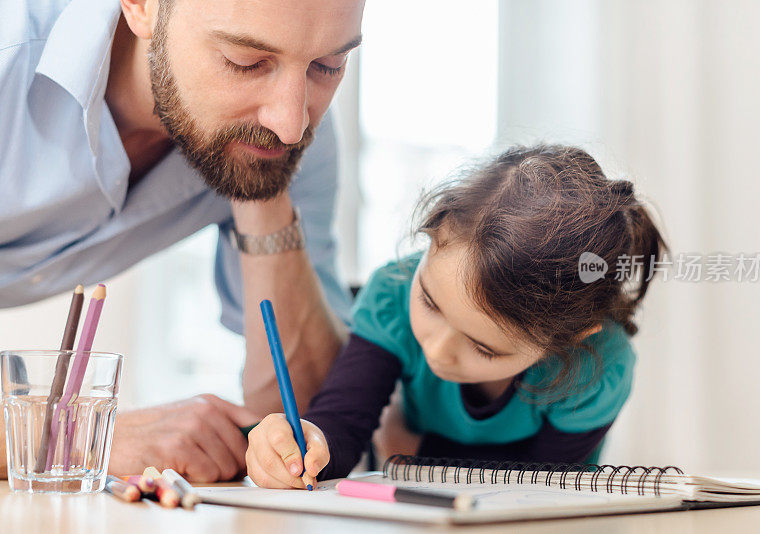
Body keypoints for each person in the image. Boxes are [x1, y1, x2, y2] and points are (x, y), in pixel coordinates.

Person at [0, 0, 364, 480]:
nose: (292, 122)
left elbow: (305, 427)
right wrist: (78, 439)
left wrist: (262, 175)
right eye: (246, 62)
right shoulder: (11, 54)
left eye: (329, 65)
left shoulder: (291, 125)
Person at [245, 144, 668, 489]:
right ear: (432, 234)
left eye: (483, 347)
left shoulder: (600, 365)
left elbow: (536, 488)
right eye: (429, 302)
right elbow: (343, 423)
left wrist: (407, 445)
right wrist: (310, 441)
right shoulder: (393, 293)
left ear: (572, 336)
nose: (438, 350)